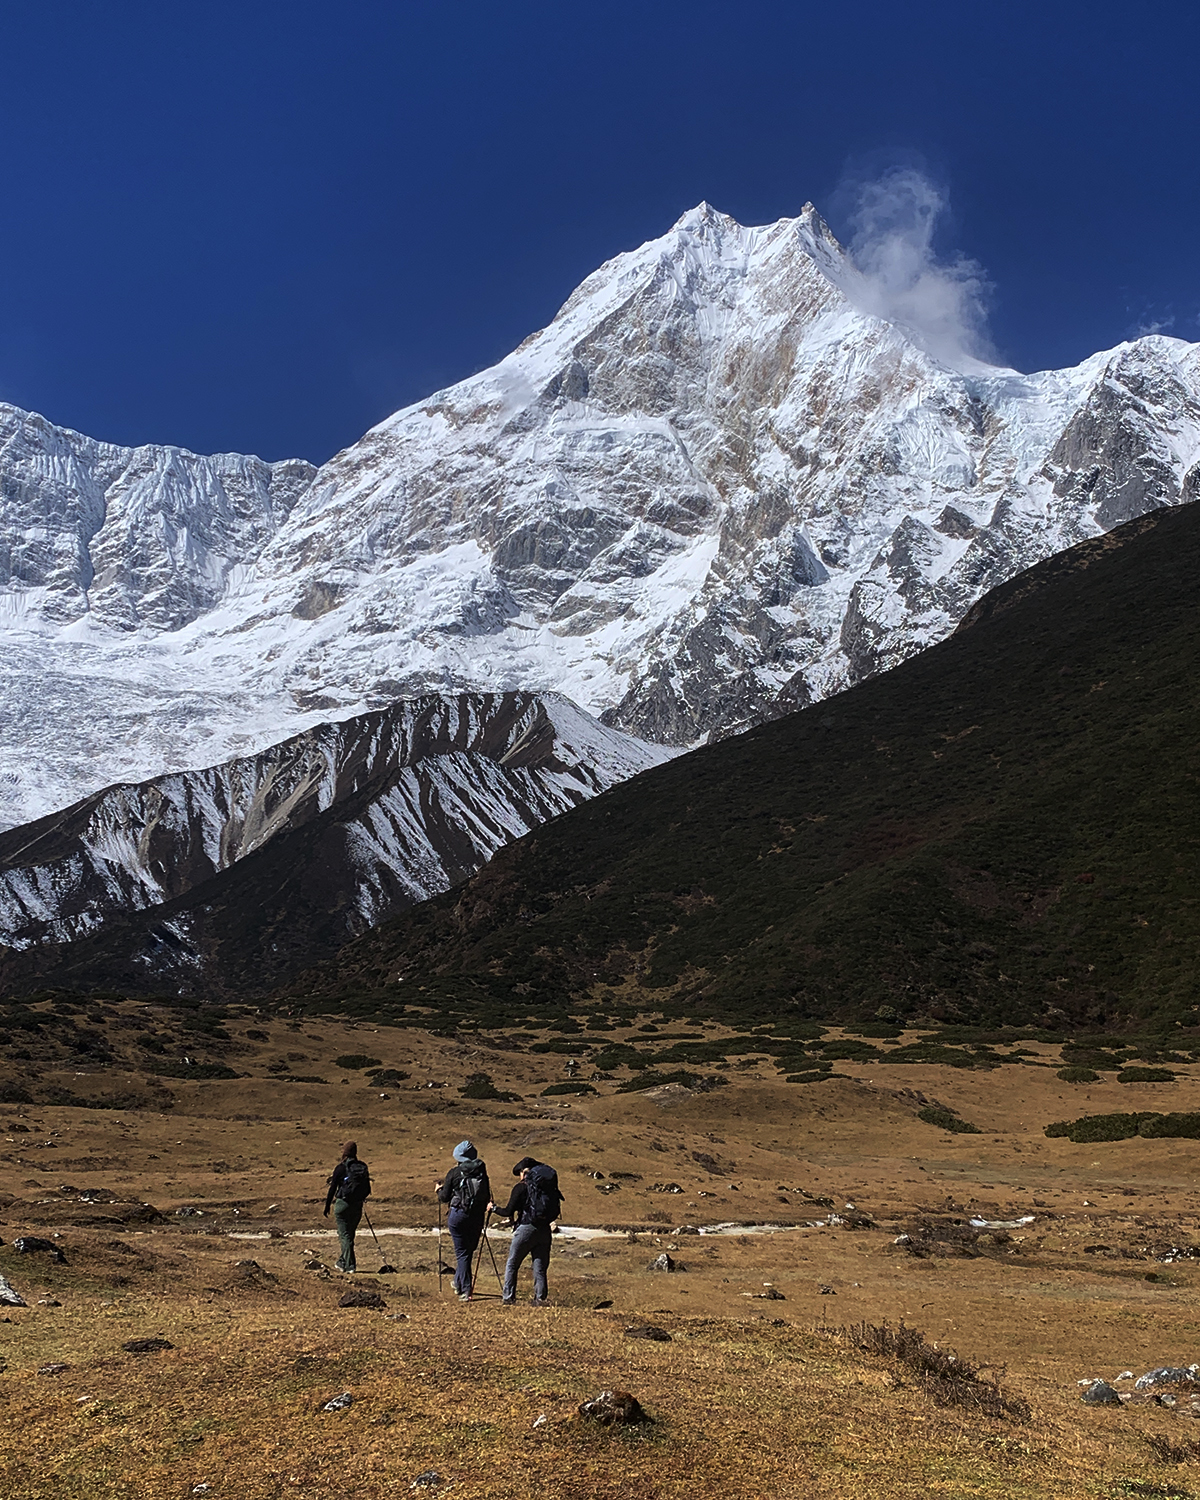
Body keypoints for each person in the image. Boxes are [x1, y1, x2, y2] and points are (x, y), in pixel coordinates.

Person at [493, 1155, 563, 1306]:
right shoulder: (546, 1187)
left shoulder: (521, 1188)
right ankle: (540, 1299)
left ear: (524, 1172)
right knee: (540, 1267)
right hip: (544, 1229)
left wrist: (492, 1208)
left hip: (526, 1228)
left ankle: (508, 1298)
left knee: (512, 1264)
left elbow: (508, 1211)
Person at [435, 1140, 492, 1300]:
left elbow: (444, 1198)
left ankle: (466, 1291)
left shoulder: (454, 1173)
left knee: (462, 1253)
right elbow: (487, 1195)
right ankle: (458, 1282)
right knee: (467, 1252)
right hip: (477, 1217)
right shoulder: (482, 1172)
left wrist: (438, 1190)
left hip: (458, 1216)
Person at [323, 1140, 371, 1273]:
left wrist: (327, 1206)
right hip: (357, 1205)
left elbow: (332, 1189)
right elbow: (367, 1188)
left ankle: (350, 1266)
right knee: (350, 1235)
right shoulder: (362, 1167)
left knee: (344, 1235)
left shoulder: (340, 1168)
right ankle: (342, 1262)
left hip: (342, 1204)